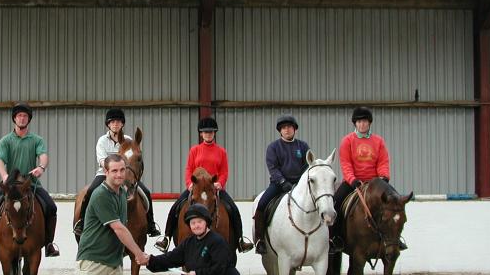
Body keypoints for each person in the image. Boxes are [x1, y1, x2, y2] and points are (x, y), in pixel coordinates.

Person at [155, 117, 253, 253]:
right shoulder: (195, 150)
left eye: (211, 132)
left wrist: (220, 183)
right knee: (176, 207)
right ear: (201, 134)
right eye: (205, 132)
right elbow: (189, 169)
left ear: (214, 133)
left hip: (213, 187)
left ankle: (241, 240)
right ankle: (166, 238)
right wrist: (189, 183)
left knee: (233, 209)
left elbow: (224, 171)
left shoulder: (221, 151)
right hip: (196, 187)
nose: (208, 134)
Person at [0, 102, 59, 257]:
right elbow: (0, 160)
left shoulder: (36, 140)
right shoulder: (5, 140)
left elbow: (43, 155)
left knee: (51, 207)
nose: (22, 119)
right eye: (19, 116)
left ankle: (49, 244)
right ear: (14, 119)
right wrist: (4, 175)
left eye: (25, 116)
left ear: (28, 120)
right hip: (10, 185)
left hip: (31, 183)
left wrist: (41, 168)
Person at [73, 107, 159, 238]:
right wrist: (112, 169)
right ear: (108, 124)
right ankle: (82, 222)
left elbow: (132, 158)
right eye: (112, 122)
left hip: (125, 174)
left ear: (122, 124)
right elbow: (101, 160)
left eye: (118, 122)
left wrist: (124, 171)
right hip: (105, 174)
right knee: (90, 191)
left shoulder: (129, 140)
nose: (115, 124)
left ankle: (151, 224)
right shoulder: (102, 140)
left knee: (146, 192)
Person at [329, 106, 404, 251]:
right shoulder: (347, 141)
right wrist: (352, 180)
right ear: (355, 124)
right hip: (354, 183)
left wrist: (384, 177)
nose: (362, 124)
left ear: (369, 123)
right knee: (335, 203)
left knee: (396, 202)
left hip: (375, 183)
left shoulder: (379, 141)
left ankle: (396, 239)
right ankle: (334, 238)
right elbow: (346, 163)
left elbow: (383, 161)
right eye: (359, 122)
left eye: (364, 121)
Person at [252, 115, 311, 254]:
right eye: (284, 128)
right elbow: (273, 168)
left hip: (299, 184)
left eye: (290, 127)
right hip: (279, 185)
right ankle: (260, 240)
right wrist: (283, 182)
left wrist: (300, 182)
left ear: (294, 129)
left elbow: (307, 165)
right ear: (280, 131)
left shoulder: (303, 146)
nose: (287, 130)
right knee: (261, 205)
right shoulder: (273, 147)